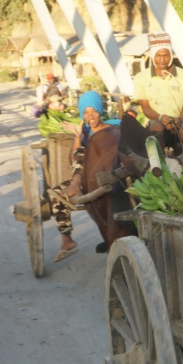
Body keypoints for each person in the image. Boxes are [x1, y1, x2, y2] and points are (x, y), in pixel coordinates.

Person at [50, 91, 113, 262]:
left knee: (85, 151)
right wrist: (78, 137)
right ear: (82, 114)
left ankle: (75, 184)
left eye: (94, 111)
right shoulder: (83, 132)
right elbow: (73, 161)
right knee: (56, 194)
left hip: (109, 175)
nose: (90, 116)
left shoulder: (113, 128)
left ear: (101, 111)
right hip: (87, 179)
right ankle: (67, 240)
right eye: (85, 112)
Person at [132, 32, 183, 150]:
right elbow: (145, 108)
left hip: (180, 120)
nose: (162, 60)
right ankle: (157, 162)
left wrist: (180, 119)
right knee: (156, 129)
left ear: (171, 55)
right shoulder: (141, 78)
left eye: (166, 55)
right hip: (155, 120)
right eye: (158, 55)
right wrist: (160, 117)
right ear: (153, 55)